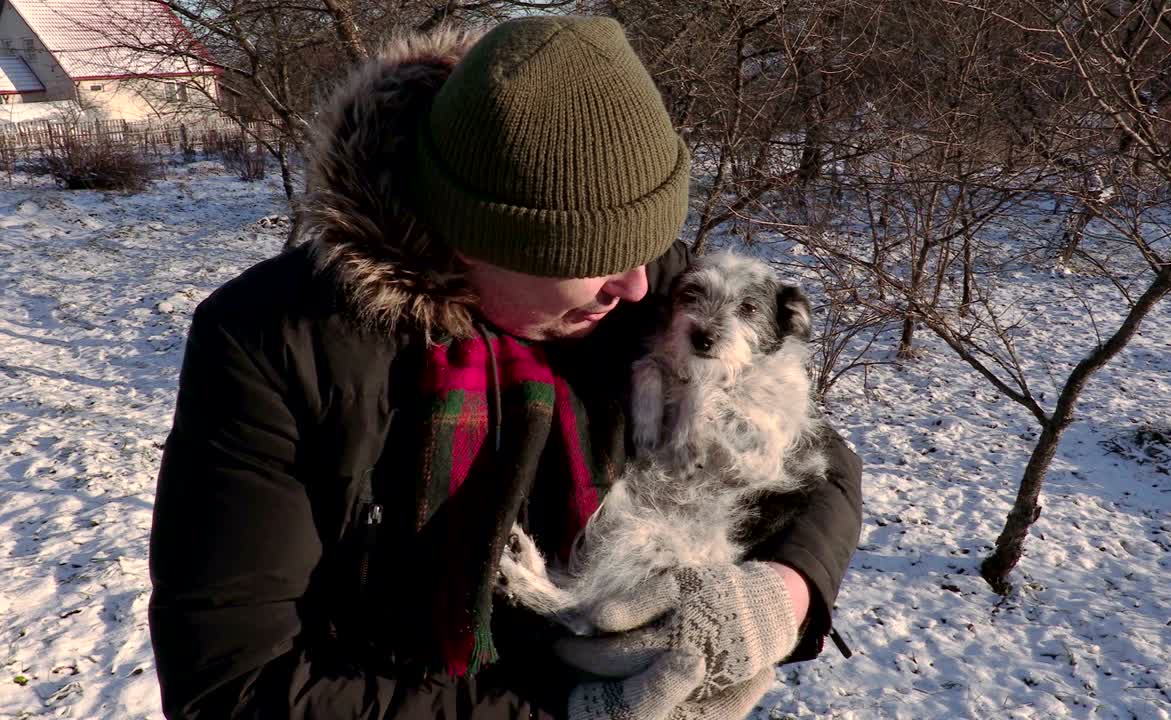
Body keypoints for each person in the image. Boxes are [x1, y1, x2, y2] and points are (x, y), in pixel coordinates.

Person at [148, 15, 863, 720]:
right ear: (477, 238)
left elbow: (822, 463)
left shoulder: (647, 292)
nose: (641, 286)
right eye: (594, 260)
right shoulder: (275, 343)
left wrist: (785, 593)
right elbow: (233, 687)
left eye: (650, 245)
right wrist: (560, 712)